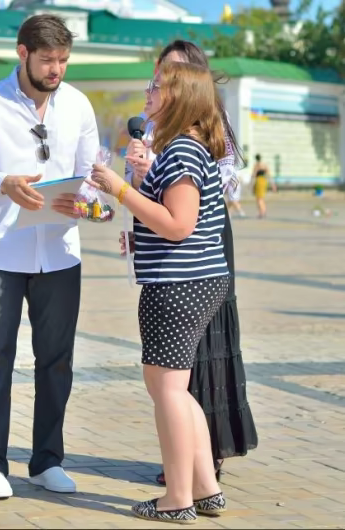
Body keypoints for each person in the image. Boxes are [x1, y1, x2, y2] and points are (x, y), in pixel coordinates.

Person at [0, 14, 100, 499]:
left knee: (57, 361)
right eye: (47, 59)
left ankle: (46, 461)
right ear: (23, 53)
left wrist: (90, 202)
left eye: (63, 60)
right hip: (0, 251)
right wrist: (5, 183)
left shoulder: (78, 104)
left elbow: (91, 173)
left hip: (61, 252)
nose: (56, 69)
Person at [91, 61, 230, 524]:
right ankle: (205, 489)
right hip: (187, 281)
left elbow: (178, 225)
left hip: (179, 284)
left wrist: (119, 190)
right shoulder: (179, 147)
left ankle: (177, 498)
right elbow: (169, 216)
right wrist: (136, 195)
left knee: (168, 389)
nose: (148, 93)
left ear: (179, 98)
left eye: (156, 86)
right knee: (171, 388)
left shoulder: (183, 150)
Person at [125, 40, 257, 488]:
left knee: (198, 355)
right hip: (174, 243)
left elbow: (216, 186)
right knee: (175, 369)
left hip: (198, 247)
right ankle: (196, 472)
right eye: (159, 74)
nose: (159, 84)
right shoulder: (163, 130)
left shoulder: (199, 131)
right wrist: (140, 181)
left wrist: (143, 181)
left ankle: (199, 469)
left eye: (172, 75)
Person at [251, 154, 275, 218]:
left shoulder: (256, 165)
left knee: (259, 198)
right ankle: (263, 211)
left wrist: (251, 184)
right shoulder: (264, 165)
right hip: (264, 181)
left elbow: (254, 175)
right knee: (262, 197)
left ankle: (261, 212)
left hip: (259, 181)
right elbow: (269, 175)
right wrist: (273, 185)